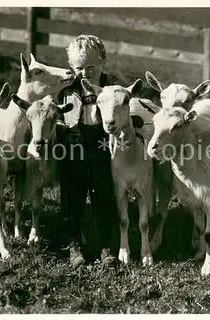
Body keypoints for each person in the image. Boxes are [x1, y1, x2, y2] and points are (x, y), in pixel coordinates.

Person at [55, 34, 124, 267]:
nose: (85, 73)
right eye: (79, 68)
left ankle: (106, 245)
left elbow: (125, 107)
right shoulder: (66, 87)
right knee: (73, 196)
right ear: (71, 67)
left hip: (102, 144)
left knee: (103, 195)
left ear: (103, 60)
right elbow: (55, 113)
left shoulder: (112, 84)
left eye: (91, 66)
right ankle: (73, 244)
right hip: (73, 143)